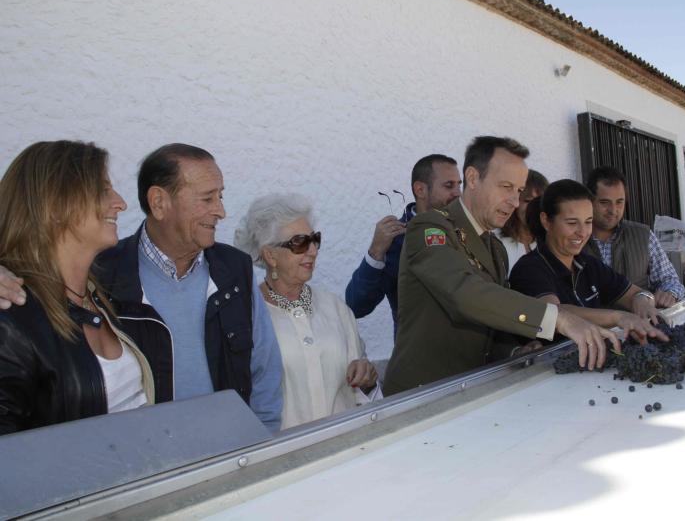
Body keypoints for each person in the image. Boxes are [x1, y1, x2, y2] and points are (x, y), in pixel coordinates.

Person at [0, 144, 284, 434]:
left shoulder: (94, 295)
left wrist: (262, 442)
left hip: (209, 460)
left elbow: (265, 372)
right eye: (207, 198)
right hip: (142, 472)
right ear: (159, 202)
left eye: (219, 196)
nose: (121, 203)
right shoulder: (106, 277)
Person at [383, 136, 620, 396]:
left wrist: (514, 351)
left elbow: (488, 323)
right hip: (421, 397)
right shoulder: (429, 227)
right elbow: (465, 293)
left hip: (473, 391)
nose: (515, 202)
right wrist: (558, 318)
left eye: (518, 191)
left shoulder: (495, 249)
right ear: (472, 178)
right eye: (506, 187)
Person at [0, 141, 154, 435]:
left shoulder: (103, 294)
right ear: (56, 205)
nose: (120, 202)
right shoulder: (10, 318)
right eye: (102, 189)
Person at [235, 194, 380, 429]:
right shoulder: (247, 316)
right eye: (300, 243)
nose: (312, 251)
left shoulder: (335, 308)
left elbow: (361, 391)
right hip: (284, 455)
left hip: (345, 447)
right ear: (270, 255)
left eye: (315, 240)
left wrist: (367, 378)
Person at [510, 179, 668, 342]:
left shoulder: (588, 264)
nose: (582, 232)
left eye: (588, 222)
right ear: (546, 221)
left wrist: (644, 302)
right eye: (572, 223)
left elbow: (635, 293)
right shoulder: (529, 269)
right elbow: (554, 312)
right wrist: (618, 317)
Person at [345, 154, 462, 333]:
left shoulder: (466, 231)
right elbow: (356, 306)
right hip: (420, 357)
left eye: (459, 185)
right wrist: (376, 251)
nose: (458, 193)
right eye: (449, 186)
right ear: (420, 189)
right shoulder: (398, 239)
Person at [585, 167, 685, 307]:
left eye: (619, 202)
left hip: (637, 325)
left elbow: (669, 280)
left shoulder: (642, 235)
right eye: (604, 203)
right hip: (589, 326)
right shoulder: (576, 239)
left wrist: (670, 293)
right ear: (590, 201)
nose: (613, 210)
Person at [496, 169, 549, 273]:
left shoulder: (549, 243)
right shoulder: (496, 242)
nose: (534, 207)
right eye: (528, 201)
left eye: (540, 201)